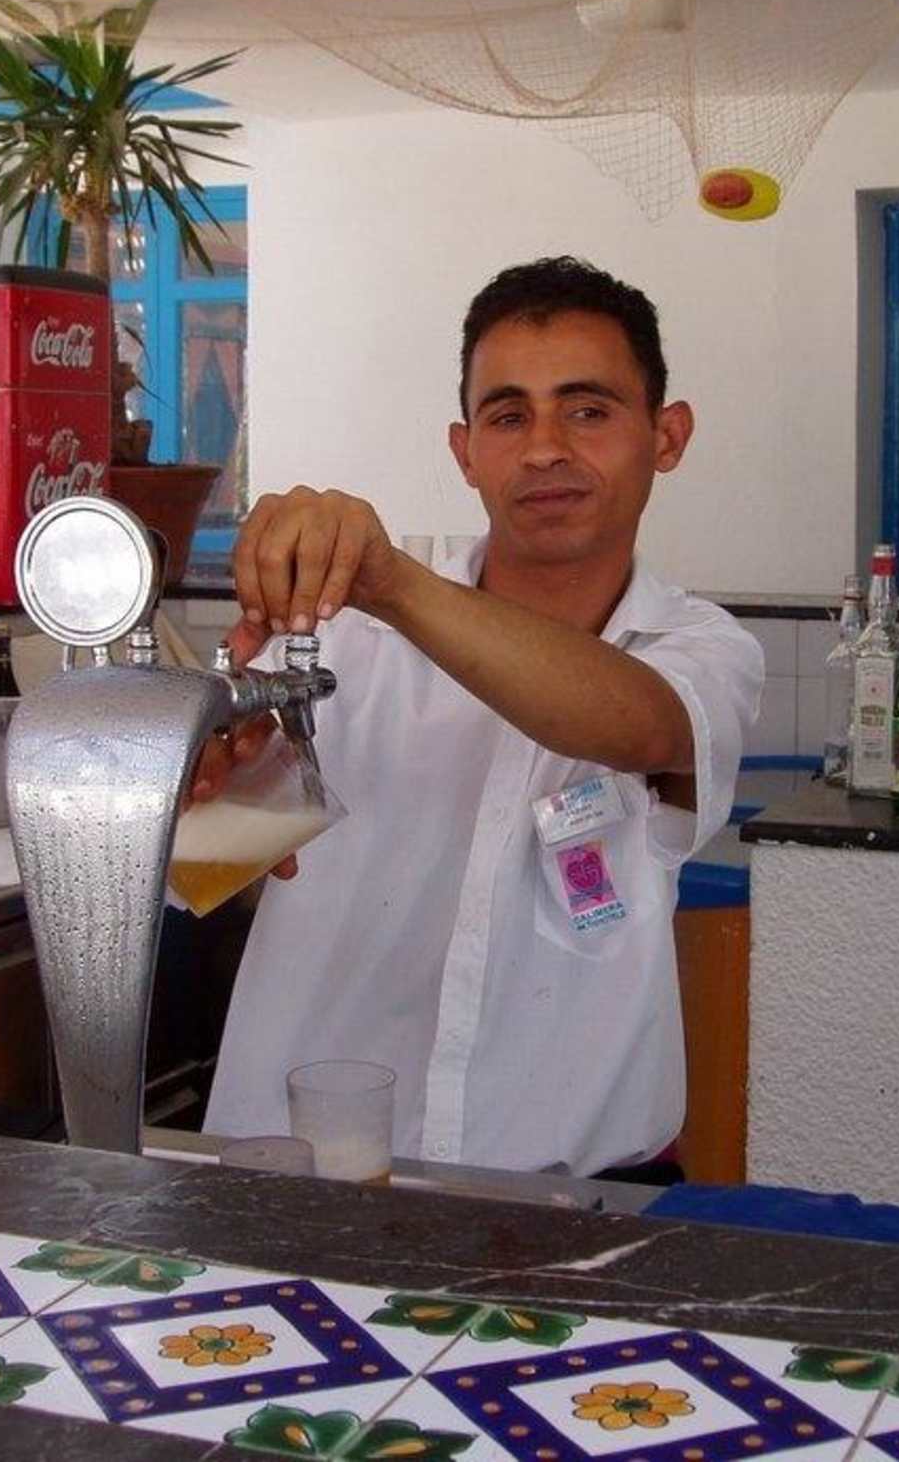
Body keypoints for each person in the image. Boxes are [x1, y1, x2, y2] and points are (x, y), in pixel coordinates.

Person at [197, 257, 763, 1179]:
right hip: (304, 1171)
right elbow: (209, 856)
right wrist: (189, 782)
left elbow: (637, 723)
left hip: (573, 1194)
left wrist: (389, 581)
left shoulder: (699, 648)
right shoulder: (336, 638)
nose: (544, 449)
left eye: (588, 410)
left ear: (667, 435)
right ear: (464, 452)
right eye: (508, 417)